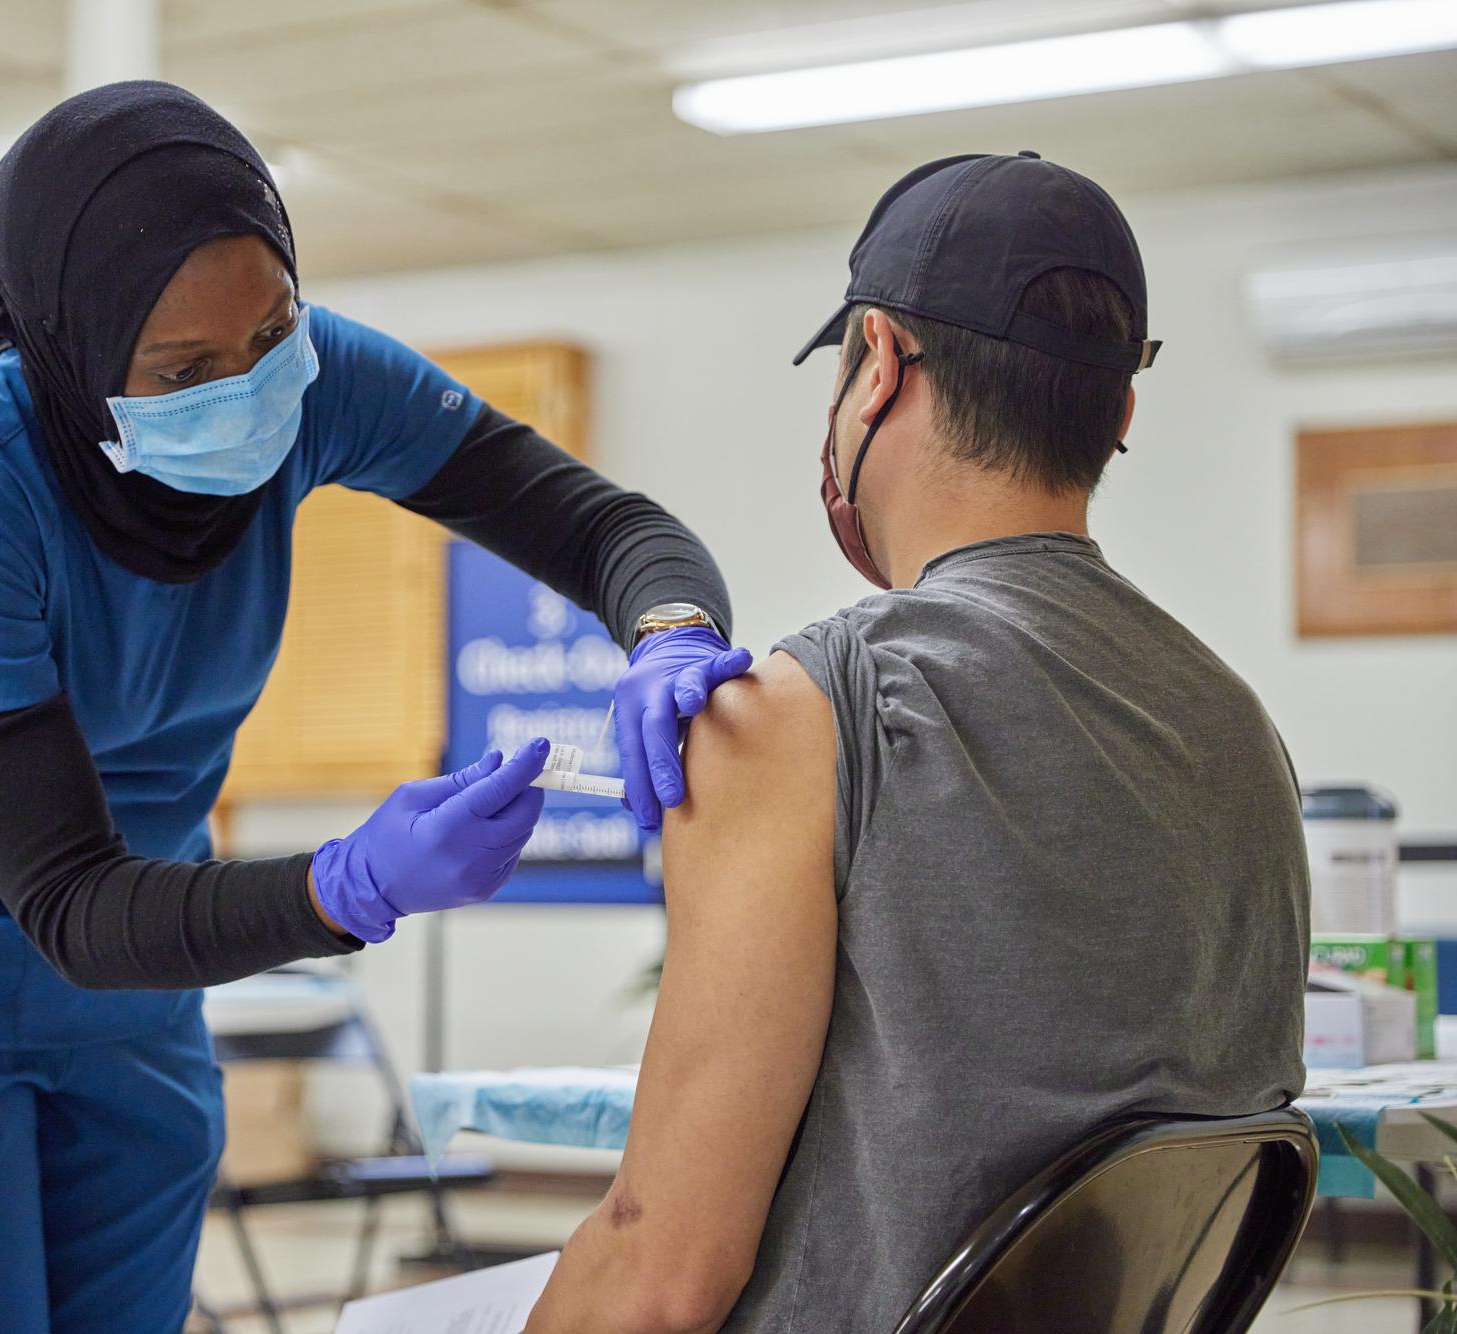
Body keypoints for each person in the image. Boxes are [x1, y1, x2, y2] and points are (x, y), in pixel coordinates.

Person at [0, 82, 748, 1334]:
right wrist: (347, 883)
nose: (248, 387)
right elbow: (69, 902)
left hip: (137, 949)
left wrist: (672, 631)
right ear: (72, 353)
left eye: (269, 334)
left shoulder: (311, 379)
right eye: (183, 369)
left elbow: (603, 526)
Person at [524, 153, 1309, 1333]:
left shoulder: (801, 711)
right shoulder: (1240, 728)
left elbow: (660, 1274)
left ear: (877, 361)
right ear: (1119, 413)